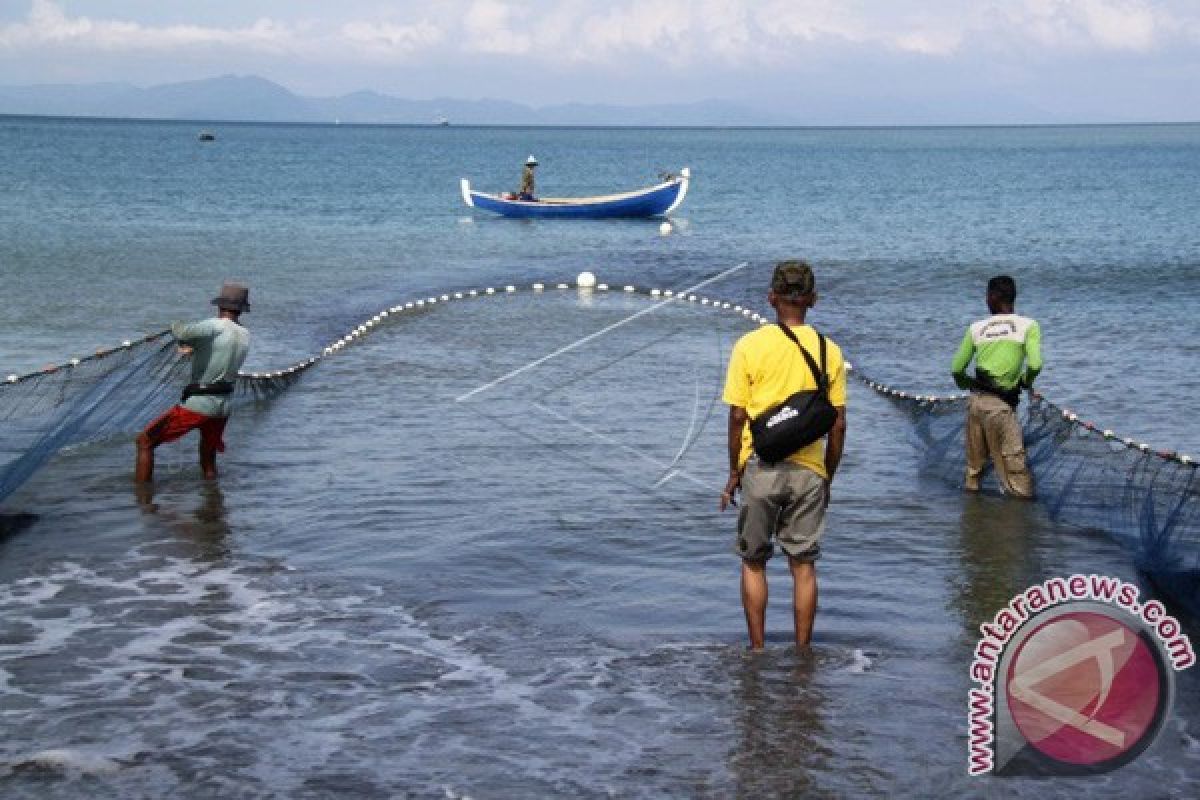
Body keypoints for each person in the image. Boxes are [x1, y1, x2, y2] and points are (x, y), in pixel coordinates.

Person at [720, 261, 848, 650]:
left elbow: (739, 416)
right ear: (812, 300)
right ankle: (802, 652)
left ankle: (757, 650)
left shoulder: (749, 346)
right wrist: (827, 475)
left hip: (762, 467)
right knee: (803, 566)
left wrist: (733, 472)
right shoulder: (830, 351)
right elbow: (838, 425)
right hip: (809, 469)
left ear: (771, 298)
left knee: (754, 561)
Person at [135, 282, 251, 483]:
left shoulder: (214, 325)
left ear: (220, 306)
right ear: (241, 309)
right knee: (208, 454)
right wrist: (193, 348)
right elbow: (216, 351)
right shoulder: (244, 335)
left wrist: (174, 324)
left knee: (145, 441)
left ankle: (143, 502)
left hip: (199, 405)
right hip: (223, 407)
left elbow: (182, 332)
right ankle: (213, 501)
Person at [951, 275, 1042, 499]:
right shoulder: (1028, 326)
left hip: (976, 406)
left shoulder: (976, 328)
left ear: (992, 298)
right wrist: (1025, 382)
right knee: (1017, 475)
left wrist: (968, 384)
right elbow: (1036, 364)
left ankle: (973, 522)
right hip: (1001, 410)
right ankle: (1016, 526)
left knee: (974, 471)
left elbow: (956, 369)